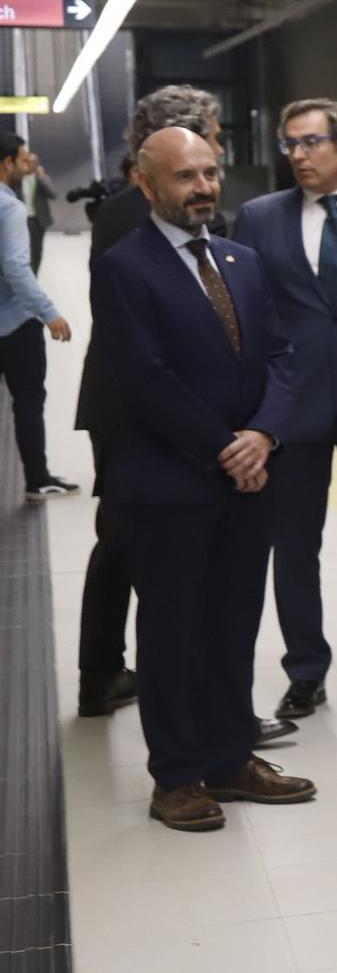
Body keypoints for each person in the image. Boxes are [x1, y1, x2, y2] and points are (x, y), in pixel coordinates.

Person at [91, 126, 314, 832]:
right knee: (172, 629)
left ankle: (228, 755)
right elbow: (143, 379)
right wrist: (226, 447)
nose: (204, 188)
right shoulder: (125, 267)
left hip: (248, 478)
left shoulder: (241, 259)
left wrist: (265, 434)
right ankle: (177, 776)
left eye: (210, 173)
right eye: (186, 176)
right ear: (147, 184)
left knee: (231, 623)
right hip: (170, 483)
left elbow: (280, 355)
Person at [233, 98, 337, 719]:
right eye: (291, 144)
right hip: (289, 409)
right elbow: (245, 317)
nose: (299, 155)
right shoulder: (258, 218)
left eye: (313, 143)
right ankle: (305, 670)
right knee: (293, 545)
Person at [73, 86, 228, 721]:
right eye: (210, 136)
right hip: (144, 408)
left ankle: (102, 673)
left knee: (117, 543)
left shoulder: (115, 211)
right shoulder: (140, 220)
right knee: (154, 556)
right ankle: (184, 697)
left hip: (121, 400)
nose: (216, 150)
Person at [0, 132, 76, 500]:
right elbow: (16, 267)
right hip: (14, 322)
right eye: (20, 158)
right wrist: (49, 313)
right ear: (6, 164)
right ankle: (37, 478)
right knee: (28, 399)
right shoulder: (9, 206)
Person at [14, 142, 54, 274]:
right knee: (24, 250)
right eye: (28, 161)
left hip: (38, 219)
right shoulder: (18, 177)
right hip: (23, 219)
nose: (31, 164)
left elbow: (53, 194)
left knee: (37, 251)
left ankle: (33, 275)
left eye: (34, 162)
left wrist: (42, 178)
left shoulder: (41, 177)